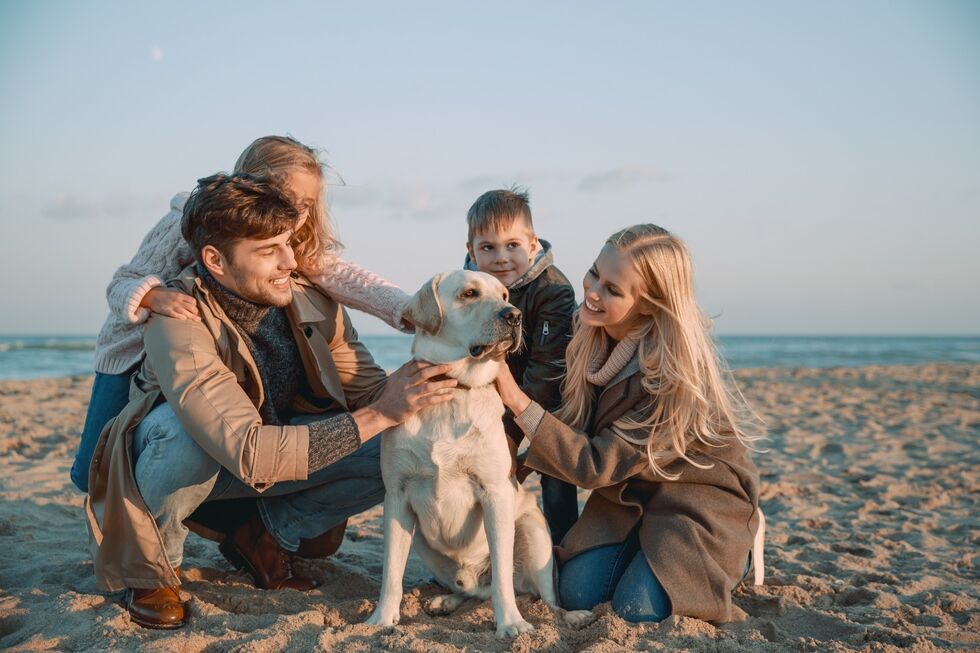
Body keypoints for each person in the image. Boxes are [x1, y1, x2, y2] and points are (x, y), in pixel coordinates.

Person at [84, 173, 456, 630]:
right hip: (192, 462)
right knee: (182, 435)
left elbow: (369, 393)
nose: (288, 261)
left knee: (400, 442)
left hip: (262, 465)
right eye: (267, 251)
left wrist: (429, 383)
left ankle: (265, 533)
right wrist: (380, 413)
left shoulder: (310, 302)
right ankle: (151, 570)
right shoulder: (177, 318)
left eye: (287, 243)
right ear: (215, 261)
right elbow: (249, 450)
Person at [71, 135, 411, 493]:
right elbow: (123, 281)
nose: (295, 214)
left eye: (306, 204)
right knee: (91, 470)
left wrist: (404, 309)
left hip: (212, 350)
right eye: (285, 198)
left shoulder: (287, 238)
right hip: (131, 348)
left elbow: (344, 277)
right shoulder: (185, 221)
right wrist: (153, 296)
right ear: (249, 183)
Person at [494, 224, 762, 623]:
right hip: (630, 497)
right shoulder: (589, 333)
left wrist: (514, 396)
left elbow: (596, 464)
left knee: (636, 610)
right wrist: (513, 463)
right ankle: (643, 553)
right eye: (594, 273)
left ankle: (737, 554)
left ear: (650, 305)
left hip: (695, 502)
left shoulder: (671, 376)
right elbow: (569, 426)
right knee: (577, 593)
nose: (592, 291)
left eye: (612, 290)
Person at [463, 188, 578, 543]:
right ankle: (476, 539)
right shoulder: (467, 287)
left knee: (553, 466)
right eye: (488, 248)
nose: (501, 258)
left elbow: (547, 371)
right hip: (490, 393)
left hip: (550, 395)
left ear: (531, 245)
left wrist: (512, 436)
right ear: (472, 252)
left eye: (512, 245)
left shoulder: (553, 290)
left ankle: (562, 539)